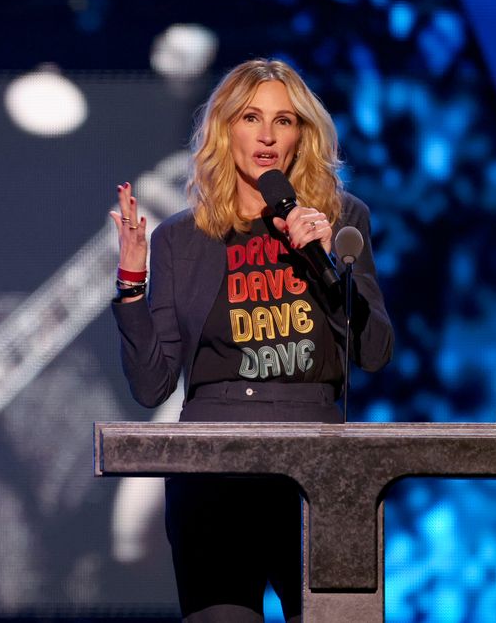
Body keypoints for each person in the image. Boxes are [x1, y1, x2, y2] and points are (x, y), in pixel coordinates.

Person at [109, 58, 394, 622]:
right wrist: (132, 283)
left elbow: (374, 351)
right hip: (214, 470)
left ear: (301, 136)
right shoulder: (179, 238)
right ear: (225, 129)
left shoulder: (340, 217)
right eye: (250, 117)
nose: (266, 135)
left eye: (283, 120)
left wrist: (332, 262)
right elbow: (152, 384)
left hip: (320, 471)